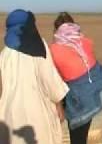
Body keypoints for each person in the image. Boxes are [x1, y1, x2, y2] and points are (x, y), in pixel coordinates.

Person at [0, 9, 69, 144]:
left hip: (9, 117)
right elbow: (50, 80)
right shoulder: (39, 47)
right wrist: (59, 106)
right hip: (37, 116)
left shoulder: (4, 54)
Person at [50, 12, 102, 144]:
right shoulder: (86, 41)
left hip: (83, 96)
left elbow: (55, 79)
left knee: (77, 136)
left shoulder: (52, 50)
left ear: (56, 30)